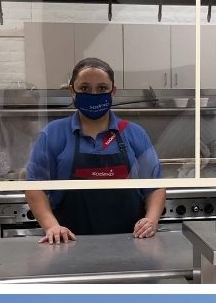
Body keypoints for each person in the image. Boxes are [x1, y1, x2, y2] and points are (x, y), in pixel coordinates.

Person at [25, 57, 166, 244]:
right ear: (72, 91)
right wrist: (52, 226)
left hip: (131, 242)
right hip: (68, 243)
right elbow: (34, 186)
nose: (93, 94)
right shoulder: (53, 134)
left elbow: (155, 185)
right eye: (84, 88)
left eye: (101, 88)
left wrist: (151, 220)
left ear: (112, 91)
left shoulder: (134, 133)